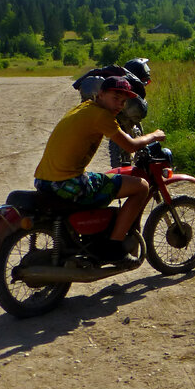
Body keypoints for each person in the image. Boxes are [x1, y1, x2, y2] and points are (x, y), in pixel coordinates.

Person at [34, 76, 167, 264]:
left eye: (123, 101)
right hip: (67, 183)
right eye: (115, 97)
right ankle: (114, 246)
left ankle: (98, 234)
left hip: (44, 179)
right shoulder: (101, 116)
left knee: (107, 179)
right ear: (101, 94)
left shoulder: (84, 107)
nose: (119, 104)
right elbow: (130, 146)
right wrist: (154, 135)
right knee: (142, 187)